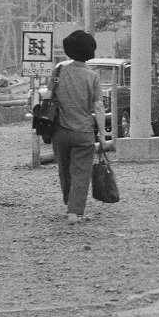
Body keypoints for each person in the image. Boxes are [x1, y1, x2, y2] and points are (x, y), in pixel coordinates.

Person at [43, 30, 108, 224]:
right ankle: (75, 211)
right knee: (81, 172)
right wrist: (103, 135)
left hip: (59, 131)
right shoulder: (92, 76)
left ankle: (69, 202)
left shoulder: (58, 71)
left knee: (64, 169)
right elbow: (98, 106)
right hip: (84, 132)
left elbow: (47, 97)